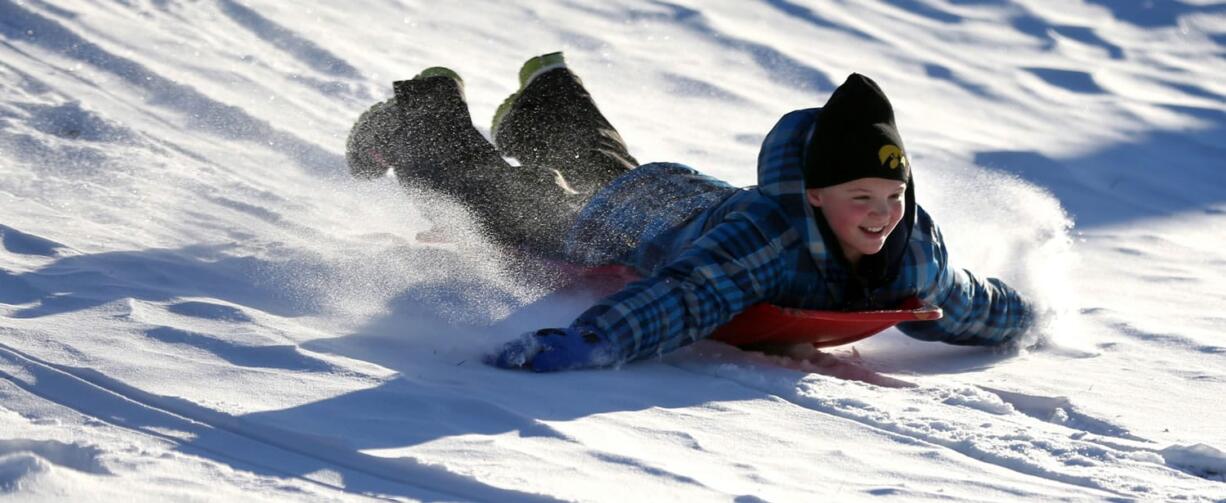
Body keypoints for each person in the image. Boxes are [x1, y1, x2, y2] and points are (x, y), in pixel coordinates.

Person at [345, 52, 1035, 372]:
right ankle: (421, 114)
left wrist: (1023, 315)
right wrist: (594, 339)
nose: (883, 214)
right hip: (628, 223)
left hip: (681, 197)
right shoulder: (772, 239)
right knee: (500, 203)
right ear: (816, 195)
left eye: (893, 197)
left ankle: (547, 91)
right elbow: (690, 294)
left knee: (603, 170)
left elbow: (959, 300)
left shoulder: (914, 247)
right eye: (862, 198)